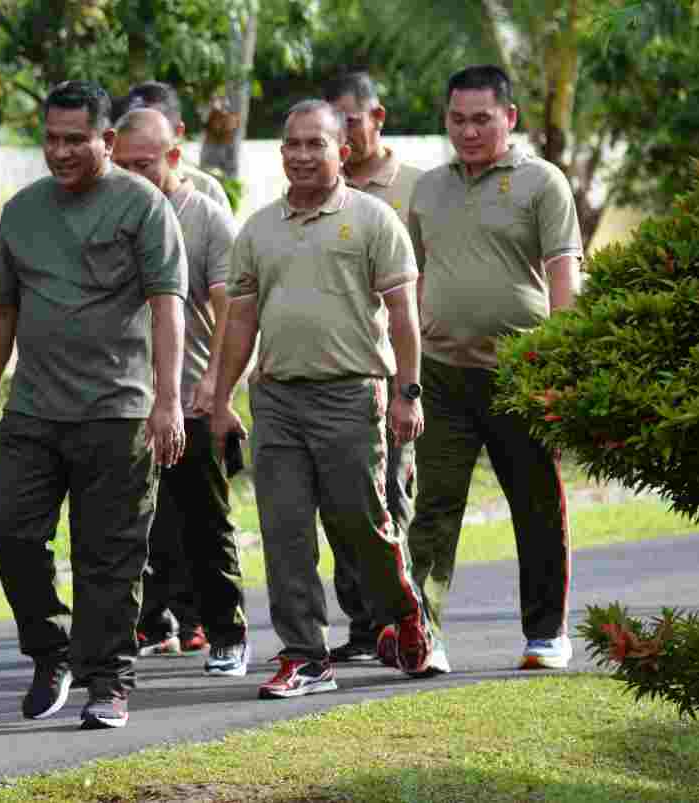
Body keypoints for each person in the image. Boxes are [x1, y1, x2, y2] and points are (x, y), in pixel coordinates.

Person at [0, 80, 188, 730]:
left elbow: (167, 306)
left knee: (109, 555)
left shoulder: (144, 206)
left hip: (118, 412)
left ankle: (109, 681)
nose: (60, 152)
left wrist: (168, 401)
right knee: (12, 531)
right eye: (51, 139)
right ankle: (50, 650)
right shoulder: (22, 211)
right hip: (33, 411)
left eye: (75, 139)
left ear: (107, 141)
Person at [210, 99, 434, 699]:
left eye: (317, 143)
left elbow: (403, 316)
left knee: (361, 526)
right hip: (277, 400)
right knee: (285, 532)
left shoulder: (373, 220)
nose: (303, 155)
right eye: (293, 144)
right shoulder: (258, 229)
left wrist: (408, 394)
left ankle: (404, 614)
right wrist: (221, 397)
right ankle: (306, 656)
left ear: (343, 150)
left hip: (351, 397)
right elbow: (240, 322)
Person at [391, 64, 582, 673]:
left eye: (481, 119)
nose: (468, 131)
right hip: (442, 374)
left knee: (535, 505)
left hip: (520, 373)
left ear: (510, 118)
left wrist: (561, 367)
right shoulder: (428, 188)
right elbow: (412, 281)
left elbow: (564, 277)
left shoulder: (542, 182)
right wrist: (403, 372)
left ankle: (545, 634)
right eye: (457, 119)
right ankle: (425, 636)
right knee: (434, 508)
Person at [110, 108, 250, 677]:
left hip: (190, 400)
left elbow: (231, 311)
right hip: (122, 399)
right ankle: (135, 632)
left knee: (205, 523)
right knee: (129, 527)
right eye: (121, 165)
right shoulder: (108, 214)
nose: (131, 176)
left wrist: (217, 388)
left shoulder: (207, 219)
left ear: (174, 155)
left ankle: (227, 634)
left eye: (142, 164)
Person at [321, 71, 425, 664]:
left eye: (350, 120)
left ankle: (402, 623)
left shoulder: (416, 188)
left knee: (388, 500)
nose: (340, 133)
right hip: (335, 374)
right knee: (341, 504)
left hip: (394, 371)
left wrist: (411, 385)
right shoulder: (316, 190)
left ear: (377, 118)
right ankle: (364, 628)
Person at [121, 81, 233, 217]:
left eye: (153, 130)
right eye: (131, 127)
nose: (137, 139)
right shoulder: (110, 186)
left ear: (178, 132)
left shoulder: (206, 190)